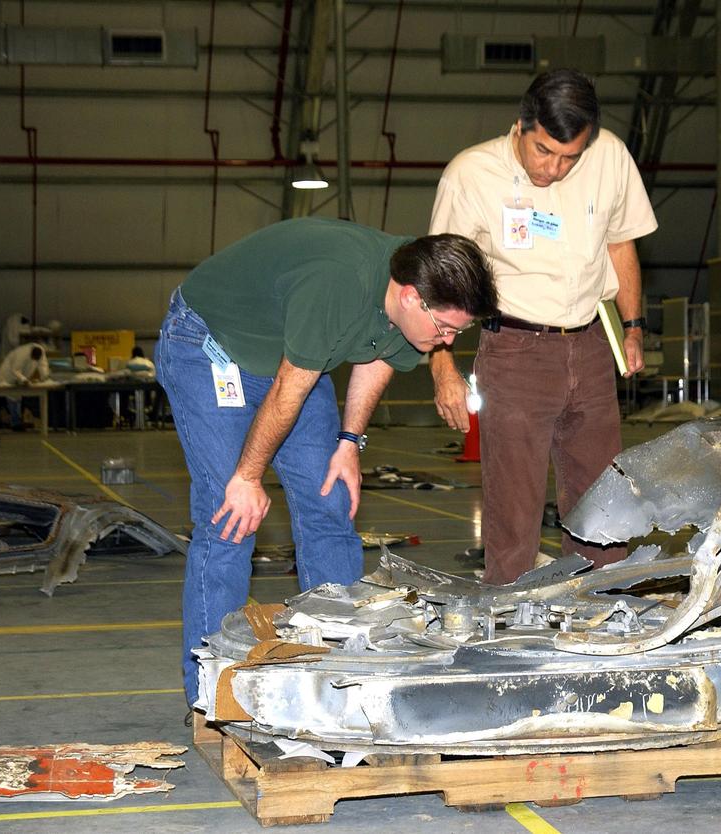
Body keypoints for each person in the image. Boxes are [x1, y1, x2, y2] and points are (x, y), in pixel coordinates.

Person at [155, 217, 496, 708]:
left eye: (456, 333)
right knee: (231, 516)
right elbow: (288, 390)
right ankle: (213, 694)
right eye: (443, 327)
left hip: (291, 355)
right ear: (408, 296)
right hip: (211, 346)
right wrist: (248, 477)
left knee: (330, 501)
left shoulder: (414, 289)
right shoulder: (338, 284)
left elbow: (377, 358)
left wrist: (348, 442)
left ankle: (342, 673)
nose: (445, 342)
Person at [428, 68, 658, 585]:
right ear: (522, 125)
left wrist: (633, 327)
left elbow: (621, 243)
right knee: (514, 507)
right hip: (513, 351)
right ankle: (509, 625)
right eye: (543, 151)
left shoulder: (611, 158)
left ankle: (601, 610)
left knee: (602, 498)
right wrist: (442, 366)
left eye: (569, 158)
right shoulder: (470, 175)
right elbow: (440, 283)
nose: (554, 169)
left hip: (592, 346)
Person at [0, 342, 52, 429]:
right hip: (7, 377)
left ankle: (17, 422)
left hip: (20, 379)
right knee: (12, 399)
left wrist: (45, 378)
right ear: (31, 354)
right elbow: (15, 369)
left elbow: (43, 366)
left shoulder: (41, 353)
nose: (34, 361)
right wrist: (24, 380)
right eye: (33, 358)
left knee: (17, 399)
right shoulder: (22, 353)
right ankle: (15, 422)